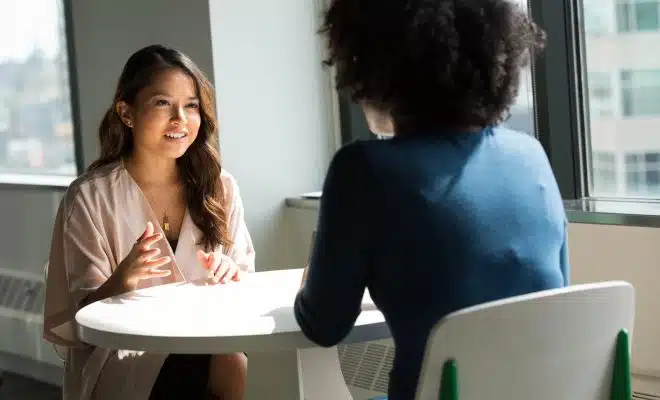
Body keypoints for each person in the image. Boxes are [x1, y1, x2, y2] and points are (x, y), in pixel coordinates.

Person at [294, 1, 568, 399]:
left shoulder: (363, 170)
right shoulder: (532, 157)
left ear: (374, 63)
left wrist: (311, 283)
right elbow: (559, 299)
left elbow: (324, 326)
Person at [43, 45, 255, 400]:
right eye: (162, 104)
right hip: (121, 353)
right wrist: (121, 281)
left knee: (231, 358)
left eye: (191, 106)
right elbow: (79, 320)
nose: (180, 120)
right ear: (126, 113)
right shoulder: (89, 198)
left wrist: (229, 270)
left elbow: (245, 280)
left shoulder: (220, 187)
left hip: (205, 339)